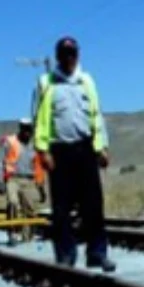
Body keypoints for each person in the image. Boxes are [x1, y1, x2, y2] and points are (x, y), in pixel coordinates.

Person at [33, 36, 116, 272]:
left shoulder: (87, 80)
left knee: (93, 205)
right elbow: (41, 119)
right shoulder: (46, 82)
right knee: (61, 208)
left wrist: (102, 147)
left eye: (72, 53)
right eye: (64, 54)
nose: (69, 58)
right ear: (58, 56)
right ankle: (65, 255)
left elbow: (96, 115)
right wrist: (43, 150)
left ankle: (97, 253)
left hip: (85, 148)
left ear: (77, 55)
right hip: (59, 151)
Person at [0, 118, 46, 245]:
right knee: (13, 203)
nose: (27, 133)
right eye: (25, 129)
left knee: (30, 209)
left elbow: (39, 167)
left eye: (30, 130)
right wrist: (0, 181)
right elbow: (0, 163)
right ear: (20, 128)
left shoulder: (35, 145)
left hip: (29, 180)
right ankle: (12, 233)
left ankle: (27, 237)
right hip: (12, 178)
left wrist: (41, 187)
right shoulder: (9, 142)